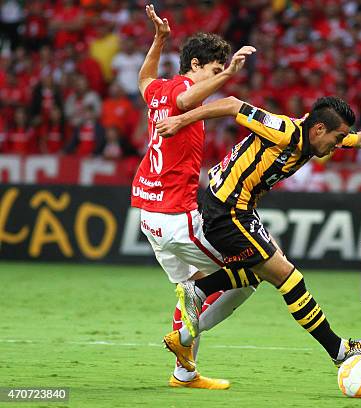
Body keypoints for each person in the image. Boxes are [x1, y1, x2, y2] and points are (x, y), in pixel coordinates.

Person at [155, 95, 361, 372]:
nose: (337, 146)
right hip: (226, 210)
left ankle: (193, 312)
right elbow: (233, 105)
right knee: (289, 277)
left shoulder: (317, 138)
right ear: (319, 128)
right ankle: (339, 350)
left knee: (260, 273)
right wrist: (181, 121)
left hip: (241, 210)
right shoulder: (283, 130)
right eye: (335, 139)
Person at [132, 5, 258, 389]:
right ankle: (183, 340)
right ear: (197, 64)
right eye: (215, 70)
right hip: (176, 217)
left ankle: (184, 374)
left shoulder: (161, 90)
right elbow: (188, 103)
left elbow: (144, 78)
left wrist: (158, 40)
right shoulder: (185, 90)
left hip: (149, 215)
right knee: (248, 274)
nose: (219, 78)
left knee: (191, 287)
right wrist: (230, 75)